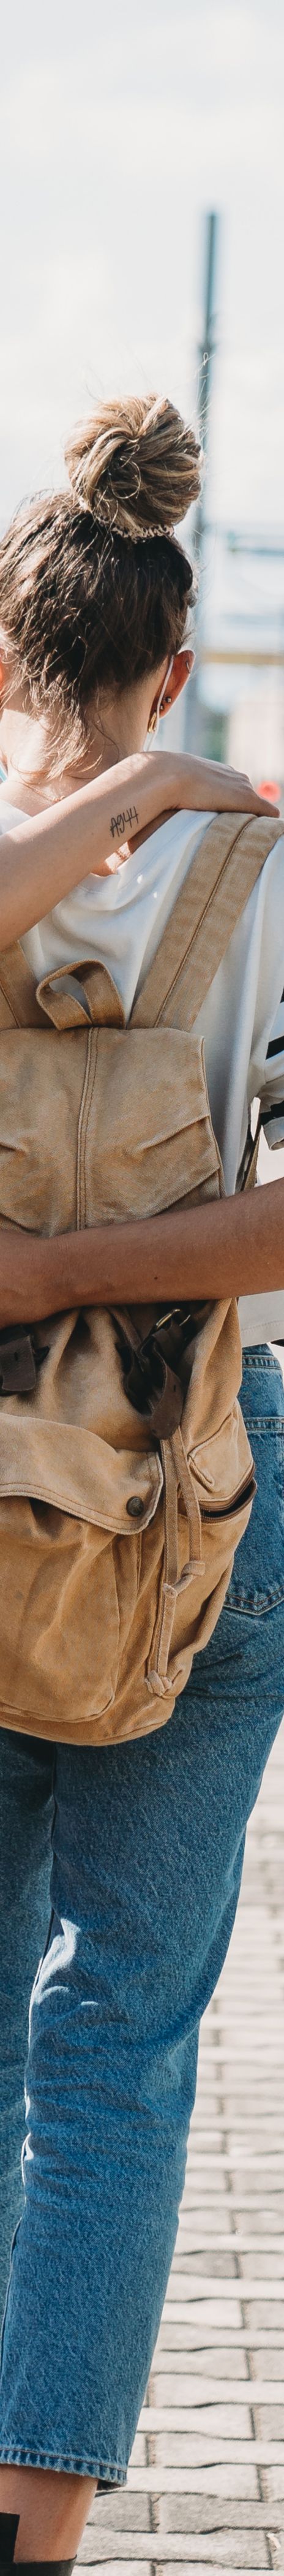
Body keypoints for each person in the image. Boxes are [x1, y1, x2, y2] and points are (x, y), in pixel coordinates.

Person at [0, 395, 283, 2572]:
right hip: (204, 1484)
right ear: (173, 663)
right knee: (122, 2029)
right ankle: (49, 2523)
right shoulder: (257, 862)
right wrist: (162, 792)